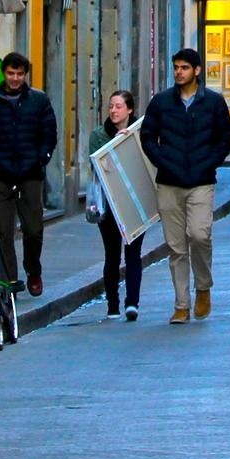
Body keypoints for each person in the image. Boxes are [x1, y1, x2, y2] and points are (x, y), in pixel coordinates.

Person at [138, 48, 230, 323]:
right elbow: (148, 136)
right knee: (176, 246)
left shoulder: (213, 102)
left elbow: (225, 139)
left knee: (200, 235)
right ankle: (181, 304)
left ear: (197, 71)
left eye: (184, 68)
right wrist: (163, 161)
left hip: (201, 181)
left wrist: (209, 163)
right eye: (176, 67)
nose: (179, 72)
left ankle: (203, 287)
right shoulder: (161, 102)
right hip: (169, 181)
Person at [0, 52, 57, 296]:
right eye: (11, 73)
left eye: (20, 74)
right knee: (2, 231)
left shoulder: (38, 101)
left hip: (30, 173)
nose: (15, 79)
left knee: (33, 228)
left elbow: (48, 133)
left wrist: (41, 159)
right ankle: (9, 280)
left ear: (25, 74)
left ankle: (33, 269)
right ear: (3, 72)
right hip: (0, 173)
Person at [87, 90, 145, 321]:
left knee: (133, 253)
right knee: (112, 254)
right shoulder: (99, 135)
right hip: (109, 202)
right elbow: (100, 165)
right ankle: (112, 304)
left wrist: (129, 141)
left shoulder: (140, 132)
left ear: (129, 110)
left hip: (134, 200)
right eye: (111, 106)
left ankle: (132, 303)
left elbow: (145, 162)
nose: (113, 110)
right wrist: (116, 144)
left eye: (119, 106)